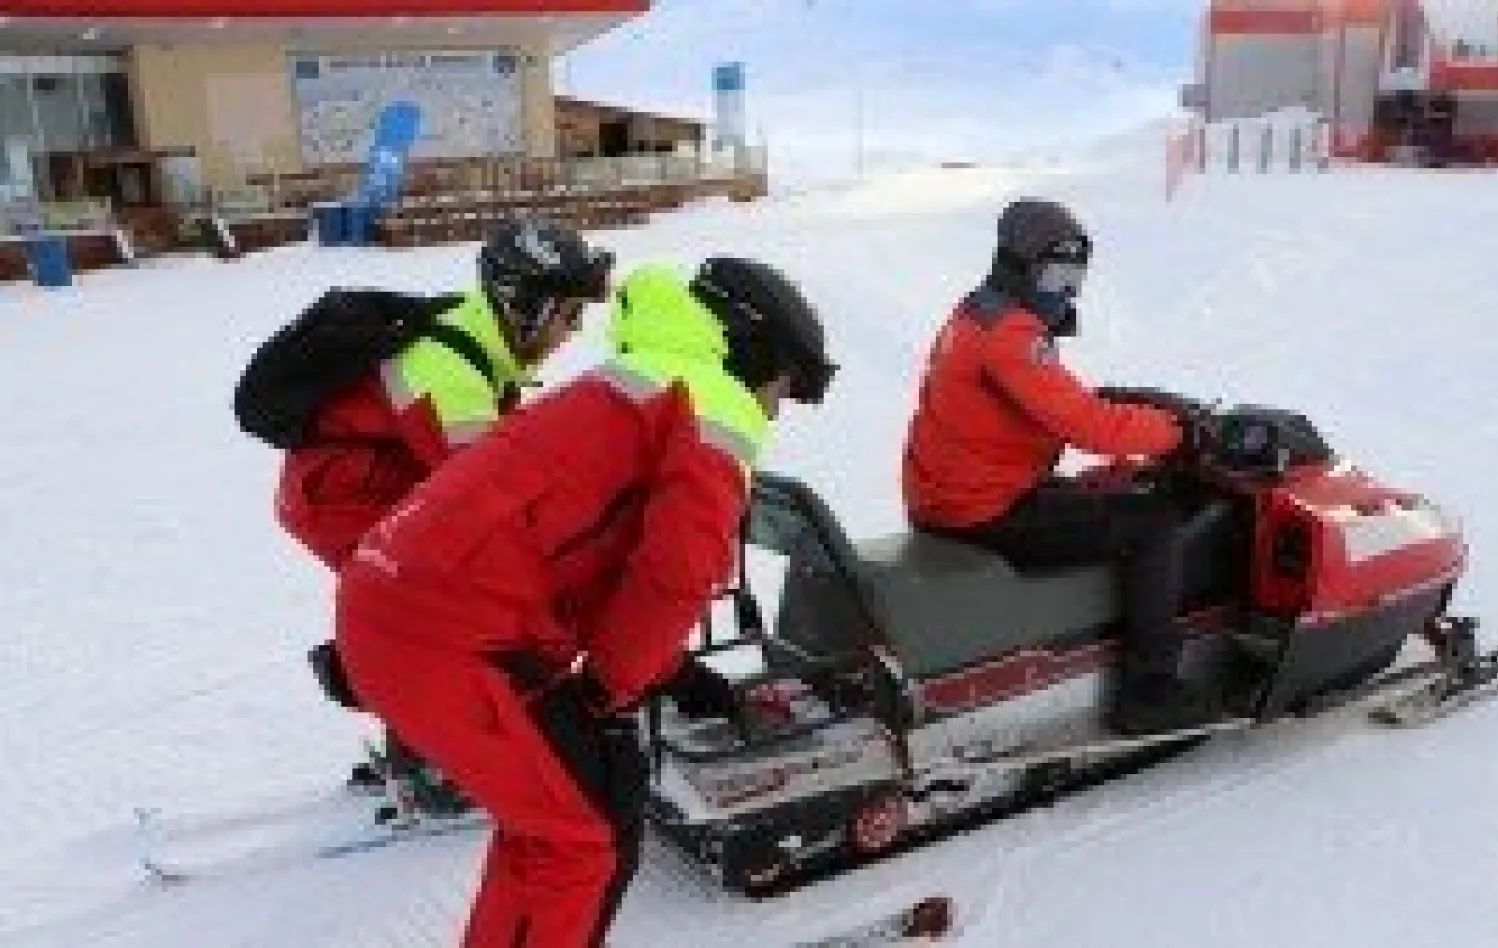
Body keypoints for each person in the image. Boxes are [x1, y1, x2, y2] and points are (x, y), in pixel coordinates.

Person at [334, 258, 835, 947]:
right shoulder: (716, 402)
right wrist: (605, 692)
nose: (775, 408)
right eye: (782, 387)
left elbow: (595, 558)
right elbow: (674, 574)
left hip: (402, 606)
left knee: (551, 826)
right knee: (583, 841)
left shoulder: (640, 379)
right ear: (753, 350)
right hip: (453, 638)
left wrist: (674, 677)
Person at [274, 219, 614, 801]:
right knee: (439, 607)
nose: (574, 332)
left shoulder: (478, 341)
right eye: (569, 314)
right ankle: (425, 758)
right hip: (343, 500)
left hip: (376, 486)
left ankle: (406, 720)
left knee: (441, 604)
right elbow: (488, 502)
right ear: (526, 306)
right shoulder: (448, 372)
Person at [901, 197, 1214, 736]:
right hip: (983, 509)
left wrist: (1124, 425)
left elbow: (1041, 408)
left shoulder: (979, 312)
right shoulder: (1010, 335)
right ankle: (1150, 689)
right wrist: (1178, 433)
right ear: (1021, 266)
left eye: (1075, 275)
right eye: (1057, 273)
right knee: (1151, 523)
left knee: (1116, 490)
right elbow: (1082, 422)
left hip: (958, 494)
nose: (1066, 290)